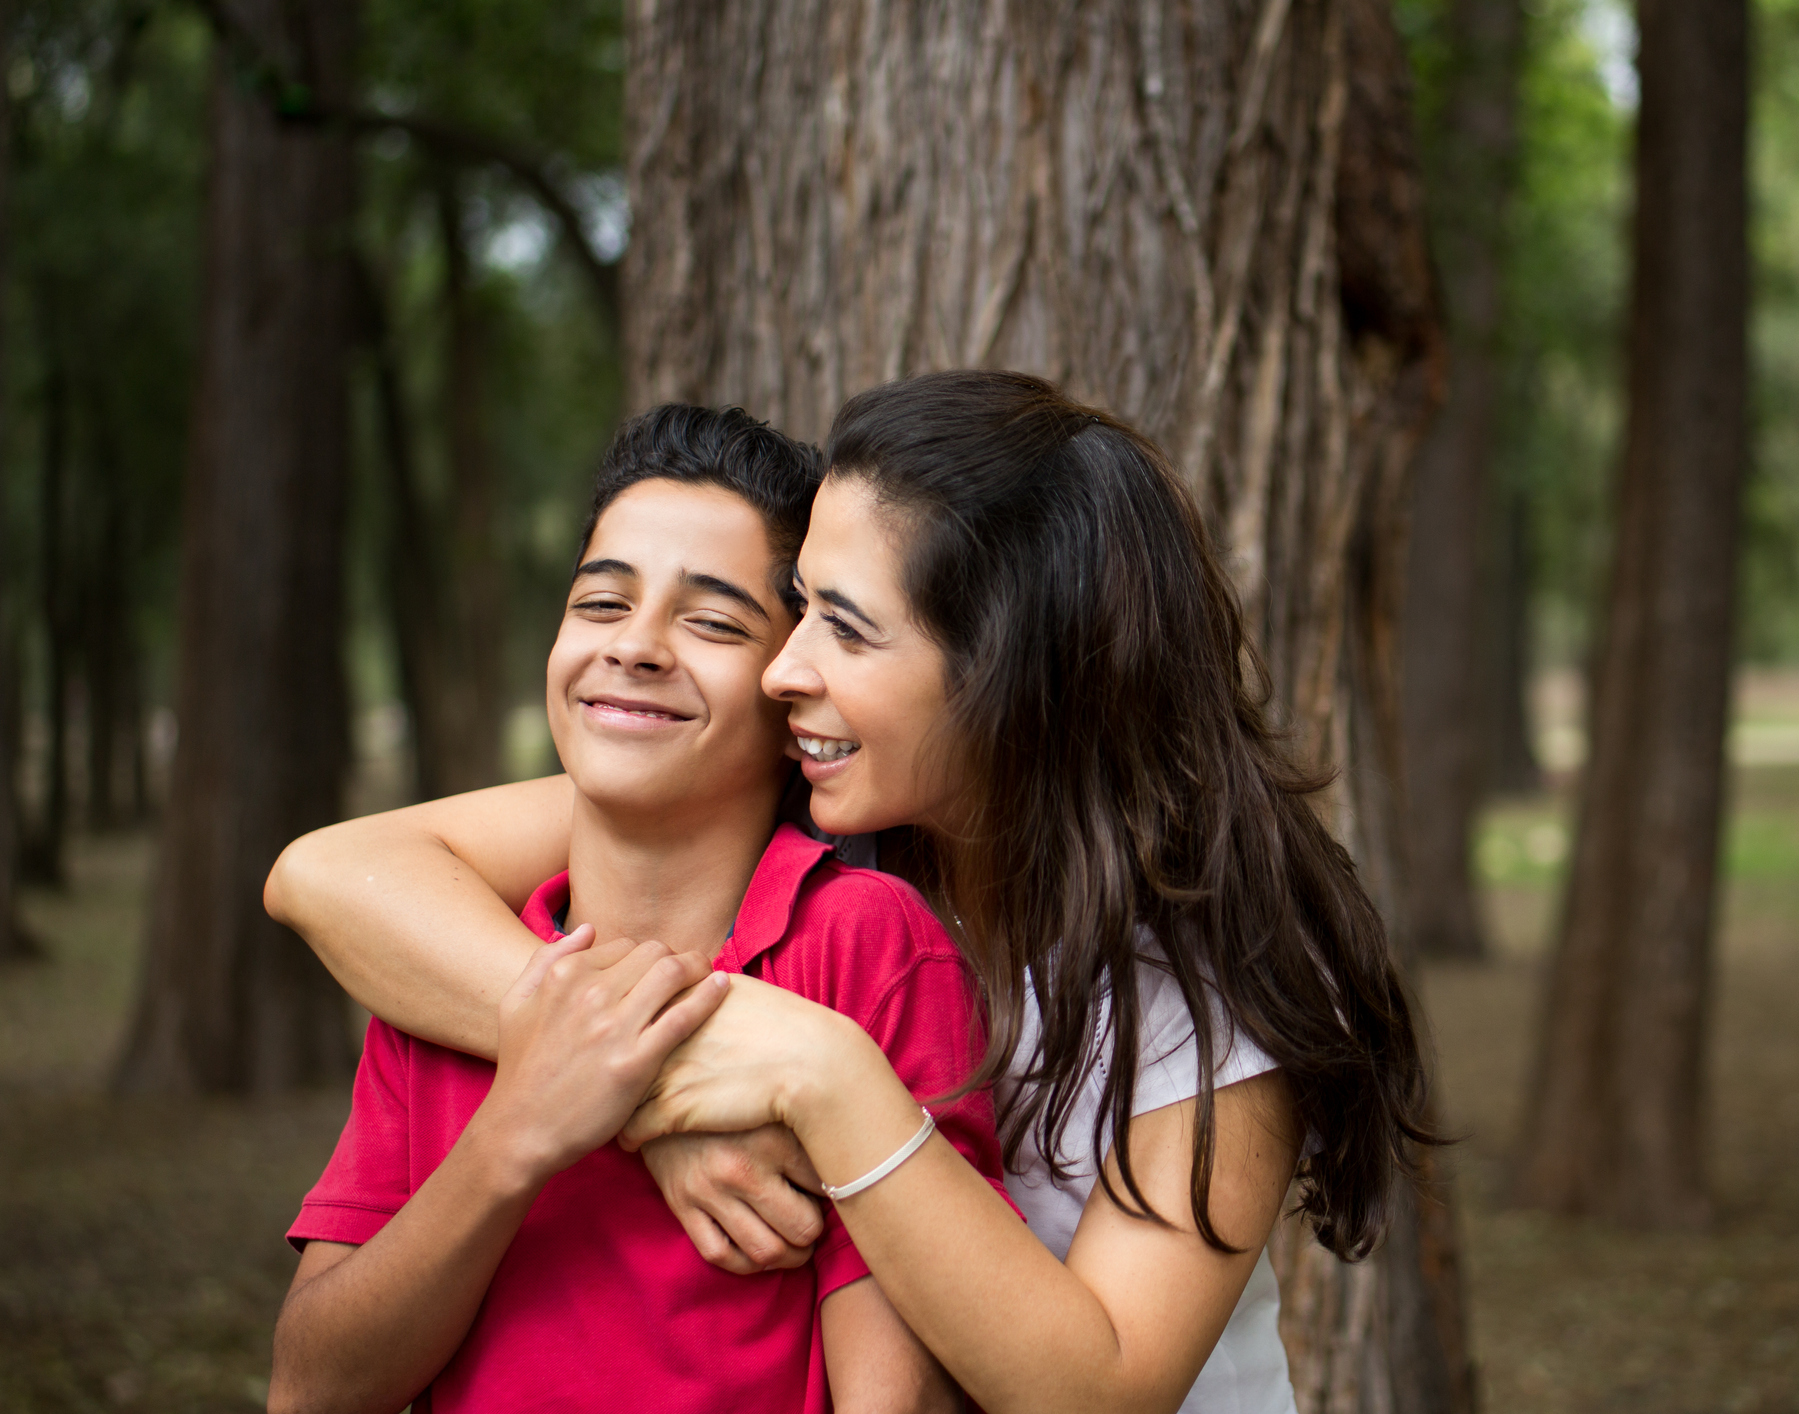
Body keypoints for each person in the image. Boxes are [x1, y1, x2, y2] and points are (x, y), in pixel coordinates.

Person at [267, 371, 1436, 1414]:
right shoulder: (821, 817)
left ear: (1005, 677)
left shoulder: (1198, 985)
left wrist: (828, 1079)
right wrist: (637, 1090)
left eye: (844, 627)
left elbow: (1098, 1391)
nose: (786, 670)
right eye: (799, 604)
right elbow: (332, 877)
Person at [267, 406, 1004, 1414]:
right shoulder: (445, 967)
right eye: (602, 603)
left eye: (711, 620)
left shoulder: (863, 944)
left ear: (790, 686)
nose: (638, 647)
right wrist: (517, 1134)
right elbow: (309, 1390)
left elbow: (899, 1398)